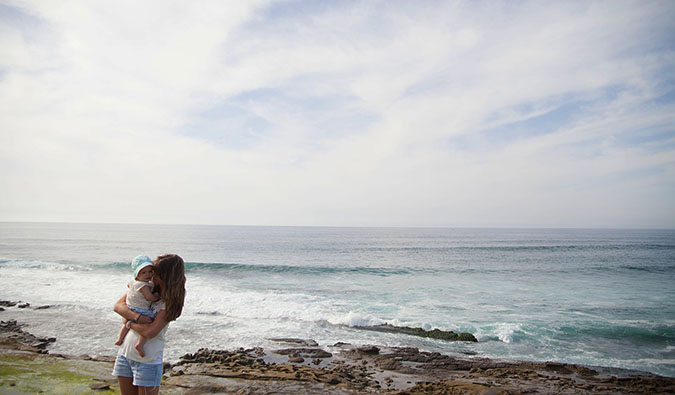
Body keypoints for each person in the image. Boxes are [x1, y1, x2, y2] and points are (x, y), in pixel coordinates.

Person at [113, 254, 186, 395]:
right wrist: (135, 317)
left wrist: (128, 322)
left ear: (166, 276)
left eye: (155, 272)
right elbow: (118, 306)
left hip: (147, 361)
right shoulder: (145, 288)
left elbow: (150, 332)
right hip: (125, 354)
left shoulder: (169, 301)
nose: (151, 274)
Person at [115, 255, 161, 357]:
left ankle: (120, 338)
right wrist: (156, 296)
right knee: (149, 322)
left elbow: (129, 286)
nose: (148, 275)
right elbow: (149, 298)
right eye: (143, 272)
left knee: (125, 324)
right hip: (141, 309)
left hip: (130, 306)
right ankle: (140, 344)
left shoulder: (134, 282)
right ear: (137, 275)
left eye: (150, 271)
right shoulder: (143, 286)